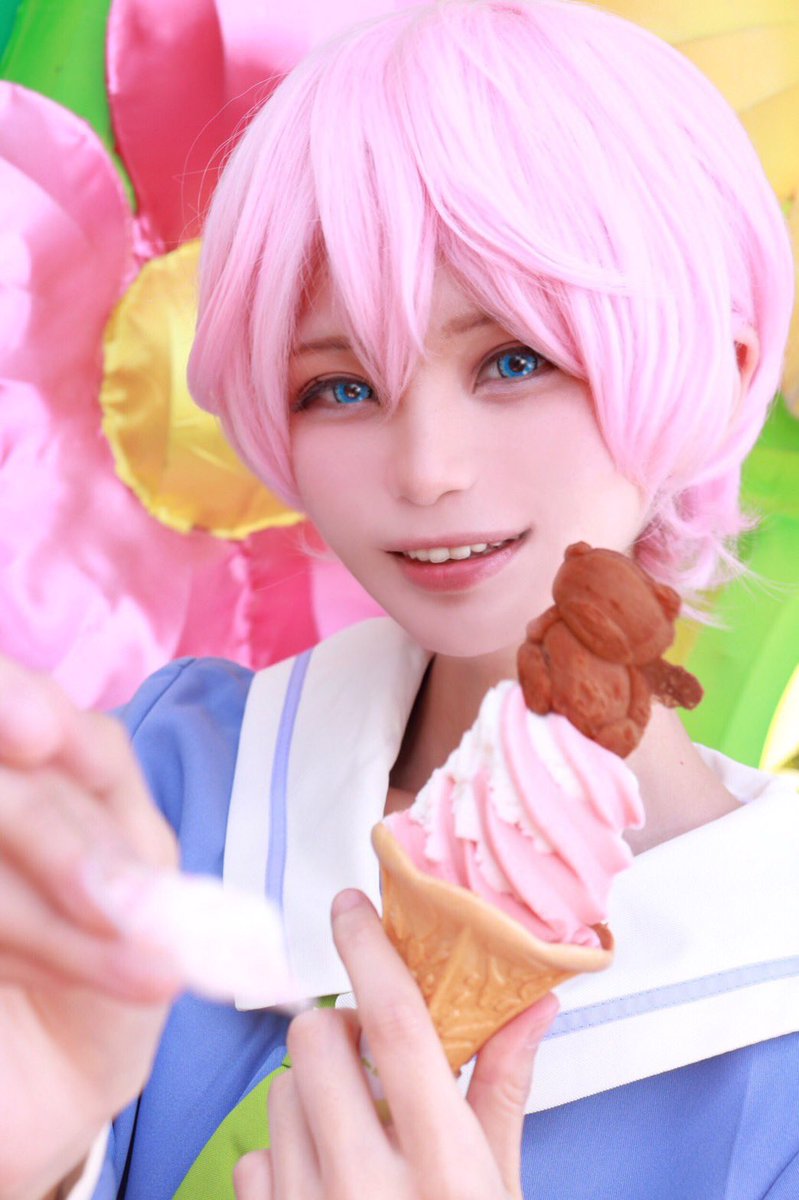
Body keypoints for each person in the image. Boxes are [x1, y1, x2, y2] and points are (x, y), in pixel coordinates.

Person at [1, 2, 796, 1198]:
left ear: (720, 371)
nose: (426, 470)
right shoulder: (170, 784)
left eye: (513, 361)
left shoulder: (771, 1022)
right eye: (338, 386)